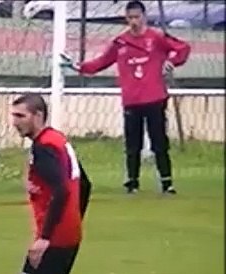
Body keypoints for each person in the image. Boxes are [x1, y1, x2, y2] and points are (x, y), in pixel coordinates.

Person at [7, 93, 99, 274]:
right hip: (68, 232)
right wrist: (75, 220)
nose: (15, 122)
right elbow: (85, 184)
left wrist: (46, 238)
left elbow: (61, 190)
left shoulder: (44, 148)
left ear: (37, 115)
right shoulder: (59, 140)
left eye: (20, 116)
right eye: (14, 116)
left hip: (56, 236)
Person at [71, 0, 191, 194]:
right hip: (132, 100)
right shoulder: (120, 42)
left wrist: (172, 61)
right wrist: (79, 67)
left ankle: (167, 182)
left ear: (144, 17)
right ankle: (132, 183)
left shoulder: (157, 37)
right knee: (132, 143)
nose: (133, 21)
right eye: (130, 18)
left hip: (155, 98)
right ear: (126, 18)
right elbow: (102, 61)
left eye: (137, 17)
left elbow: (183, 48)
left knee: (159, 142)